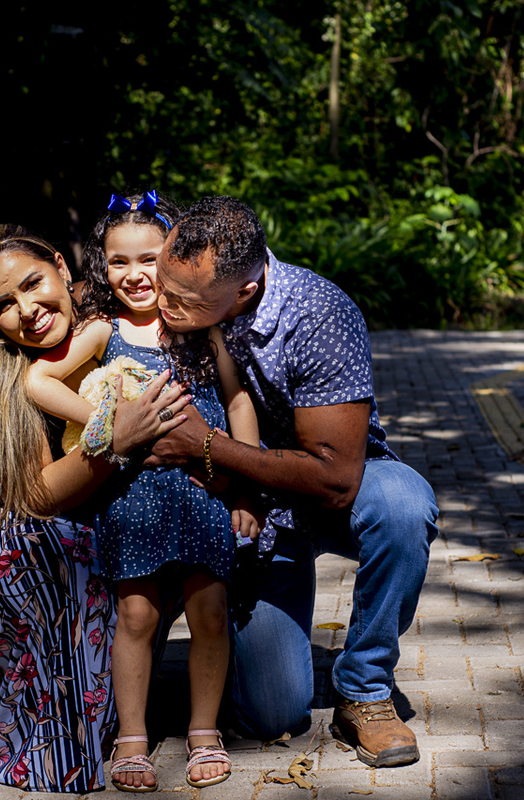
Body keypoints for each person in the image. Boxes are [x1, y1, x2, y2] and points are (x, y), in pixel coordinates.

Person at [145, 196, 440, 768]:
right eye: (162, 284)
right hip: (236, 502)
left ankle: (365, 689)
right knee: (274, 717)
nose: (162, 304)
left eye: (183, 300)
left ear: (244, 293)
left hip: (325, 490)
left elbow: (335, 478)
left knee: (403, 504)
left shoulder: (317, 313)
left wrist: (206, 445)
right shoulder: (173, 298)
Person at [0, 225, 192, 793]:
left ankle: (94, 684)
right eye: (3, 305)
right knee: (62, 554)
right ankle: (47, 715)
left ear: (63, 270)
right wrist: (118, 442)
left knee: (147, 530)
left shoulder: (111, 306)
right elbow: (37, 496)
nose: (27, 310)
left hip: (85, 498)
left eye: (33, 284)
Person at [25, 191, 262, 791]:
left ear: (177, 256)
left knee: (209, 612)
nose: (134, 275)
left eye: (150, 258)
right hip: (133, 497)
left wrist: (250, 488)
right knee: (136, 615)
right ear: (100, 267)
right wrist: (106, 424)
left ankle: (203, 731)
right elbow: (38, 380)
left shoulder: (198, 323)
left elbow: (237, 399)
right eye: (118, 262)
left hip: (202, 490)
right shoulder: (105, 329)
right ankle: (132, 735)